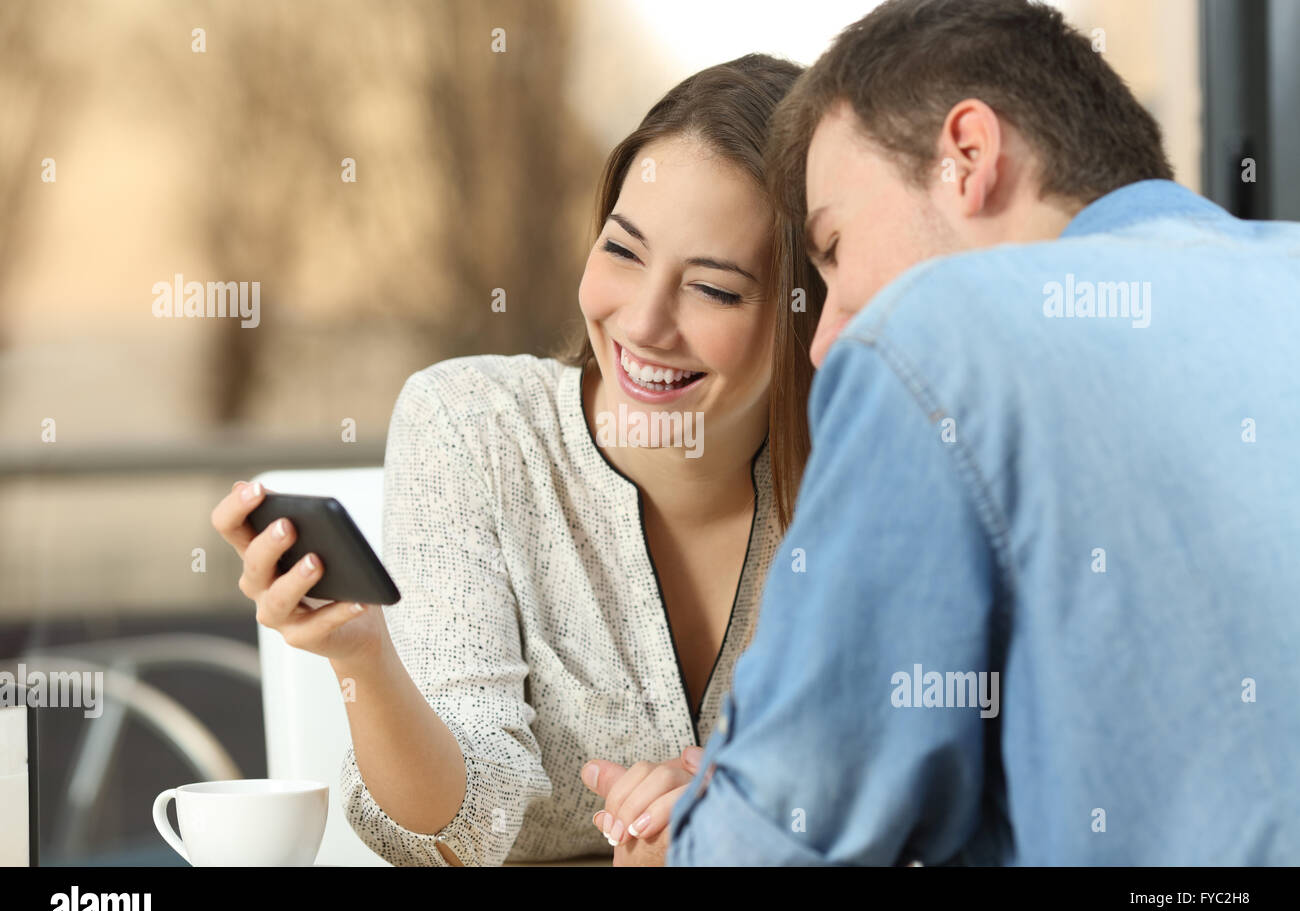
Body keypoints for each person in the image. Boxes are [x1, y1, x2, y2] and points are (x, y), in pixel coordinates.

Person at [667, 0, 1300, 864]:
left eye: (836, 247)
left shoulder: (938, 338)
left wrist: (698, 812)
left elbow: (768, 847)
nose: (826, 339)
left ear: (967, 157)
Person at [210, 53, 823, 866]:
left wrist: (747, 814)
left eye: (712, 289)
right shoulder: (473, 427)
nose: (642, 323)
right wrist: (366, 655)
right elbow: (453, 837)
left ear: (807, 312)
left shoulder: (853, 484)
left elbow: (914, 781)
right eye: (623, 251)